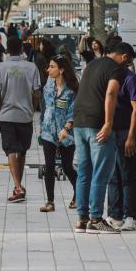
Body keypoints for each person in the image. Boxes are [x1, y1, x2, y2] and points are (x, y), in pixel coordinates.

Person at [72, 42, 130, 234]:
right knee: (101, 172)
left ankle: (82, 218)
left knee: (84, 171)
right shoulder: (116, 69)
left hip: (80, 122)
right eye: (128, 60)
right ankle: (96, 219)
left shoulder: (92, 65)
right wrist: (108, 123)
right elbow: (112, 92)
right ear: (123, 56)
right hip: (97, 124)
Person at [0, 36, 41, 203]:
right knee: (22, 150)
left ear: (7, 49)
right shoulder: (31, 67)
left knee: (10, 150)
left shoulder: (0, 67)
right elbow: (36, 93)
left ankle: (18, 187)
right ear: (22, 49)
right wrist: (32, 108)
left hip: (7, 115)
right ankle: (18, 186)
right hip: (25, 115)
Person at [106, 43, 136, 232]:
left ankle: (130, 216)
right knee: (112, 176)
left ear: (124, 57)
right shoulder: (110, 78)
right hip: (111, 133)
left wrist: (131, 137)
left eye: (113, 57)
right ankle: (114, 214)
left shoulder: (131, 80)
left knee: (128, 175)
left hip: (126, 133)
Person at [38, 55, 78, 213]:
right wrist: (42, 125)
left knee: (68, 167)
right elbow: (44, 107)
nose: (48, 70)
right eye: (49, 66)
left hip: (66, 134)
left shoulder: (72, 89)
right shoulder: (48, 86)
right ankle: (50, 202)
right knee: (49, 166)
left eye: (52, 67)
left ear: (61, 70)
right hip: (48, 131)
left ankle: (78, 194)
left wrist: (66, 129)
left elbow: (73, 112)